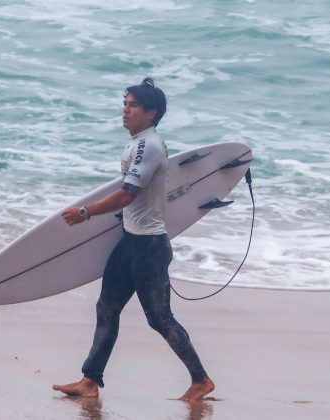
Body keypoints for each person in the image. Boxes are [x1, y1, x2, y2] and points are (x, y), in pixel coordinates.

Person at [52, 78, 214, 402]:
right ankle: (90, 380)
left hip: (149, 247)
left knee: (159, 318)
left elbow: (127, 195)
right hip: (131, 240)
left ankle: (201, 380)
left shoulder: (148, 145)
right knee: (107, 308)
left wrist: (85, 213)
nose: (125, 110)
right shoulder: (138, 143)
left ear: (151, 113)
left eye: (133, 105)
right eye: (124, 103)